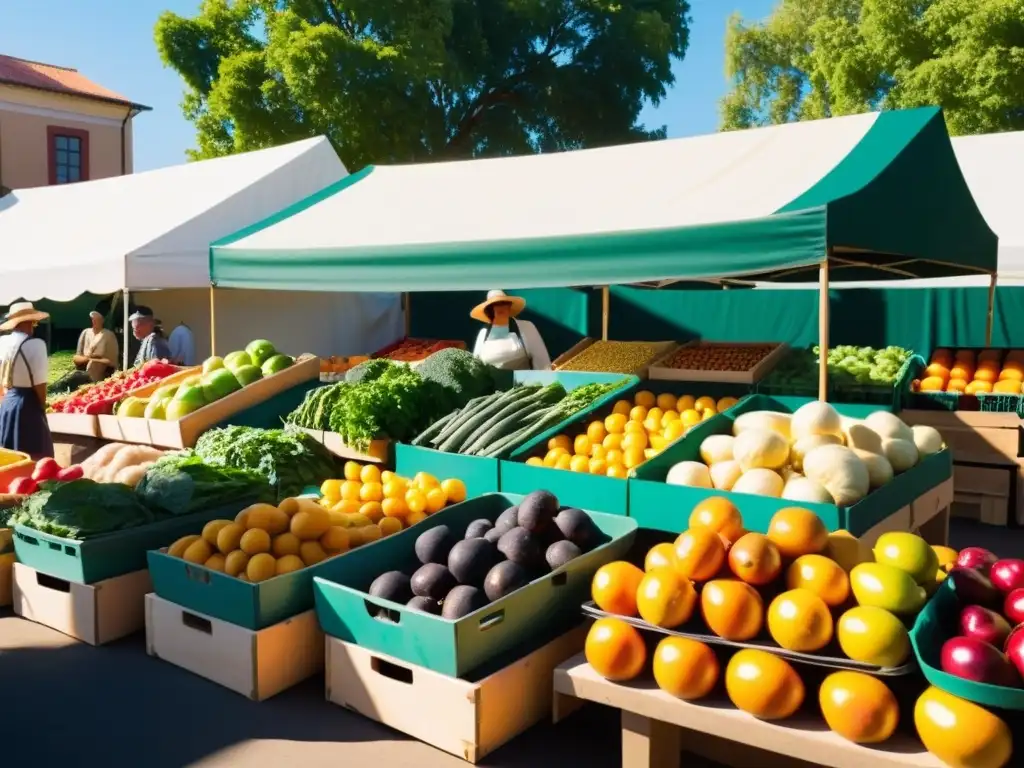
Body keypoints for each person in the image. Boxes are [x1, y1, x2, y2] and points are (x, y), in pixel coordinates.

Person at [0, 302, 54, 458]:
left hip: (7, 402)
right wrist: (41, 407)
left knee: (10, 454)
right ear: (30, 322)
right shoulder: (36, 345)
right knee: (35, 454)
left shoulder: (2, 342)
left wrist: (3, 401)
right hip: (27, 403)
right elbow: (40, 383)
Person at [470, 290, 552, 370]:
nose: (500, 307)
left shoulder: (526, 326)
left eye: (503, 303)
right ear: (490, 310)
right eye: (495, 304)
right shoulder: (483, 333)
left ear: (509, 306)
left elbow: (542, 362)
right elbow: (475, 365)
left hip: (520, 382)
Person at [74, 310, 120, 382]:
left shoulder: (108, 335)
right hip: (84, 364)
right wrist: (88, 358)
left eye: (97, 319)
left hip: (101, 368)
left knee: (94, 365)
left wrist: (95, 360)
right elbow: (77, 357)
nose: (94, 321)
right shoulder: (85, 332)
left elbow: (112, 361)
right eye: (93, 319)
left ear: (102, 320)